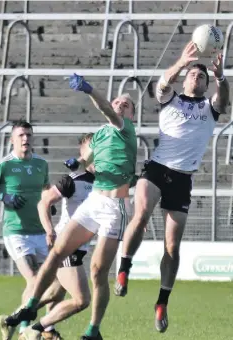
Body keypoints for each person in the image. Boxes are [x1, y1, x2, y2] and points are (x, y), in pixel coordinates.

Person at [4, 73, 137, 340]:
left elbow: (104, 108)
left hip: (114, 207)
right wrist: (75, 165)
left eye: (126, 104)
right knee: (56, 255)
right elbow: (84, 160)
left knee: (98, 272)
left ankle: (93, 330)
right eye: (118, 101)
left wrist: (88, 88)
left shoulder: (125, 129)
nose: (120, 105)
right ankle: (30, 308)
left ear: (132, 114)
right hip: (95, 201)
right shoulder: (100, 135)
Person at [114, 41, 230, 333]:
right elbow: (163, 83)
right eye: (193, 74)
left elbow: (224, 100)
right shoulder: (171, 99)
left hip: (182, 178)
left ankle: (162, 301)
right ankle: (124, 269)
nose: (196, 77)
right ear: (186, 78)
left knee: (172, 247)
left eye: (201, 76)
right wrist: (181, 62)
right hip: (157, 168)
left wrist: (221, 77)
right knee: (139, 216)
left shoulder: (209, 108)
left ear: (206, 85)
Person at [0, 120, 54, 340]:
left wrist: (48, 205)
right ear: (12, 140)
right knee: (35, 280)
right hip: (16, 232)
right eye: (21, 136)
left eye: (28, 135)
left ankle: (17, 323)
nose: (26, 139)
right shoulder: (3, 165)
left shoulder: (41, 164)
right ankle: (33, 329)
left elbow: (46, 190)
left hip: (40, 232)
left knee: (55, 282)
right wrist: (2, 196)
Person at [19, 133, 95, 340]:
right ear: (83, 153)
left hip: (79, 248)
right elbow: (44, 202)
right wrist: (50, 230)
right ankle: (34, 330)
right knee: (81, 300)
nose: (95, 150)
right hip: (66, 245)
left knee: (54, 294)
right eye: (90, 146)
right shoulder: (74, 180)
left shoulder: (106, 183)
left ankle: (15, 319)